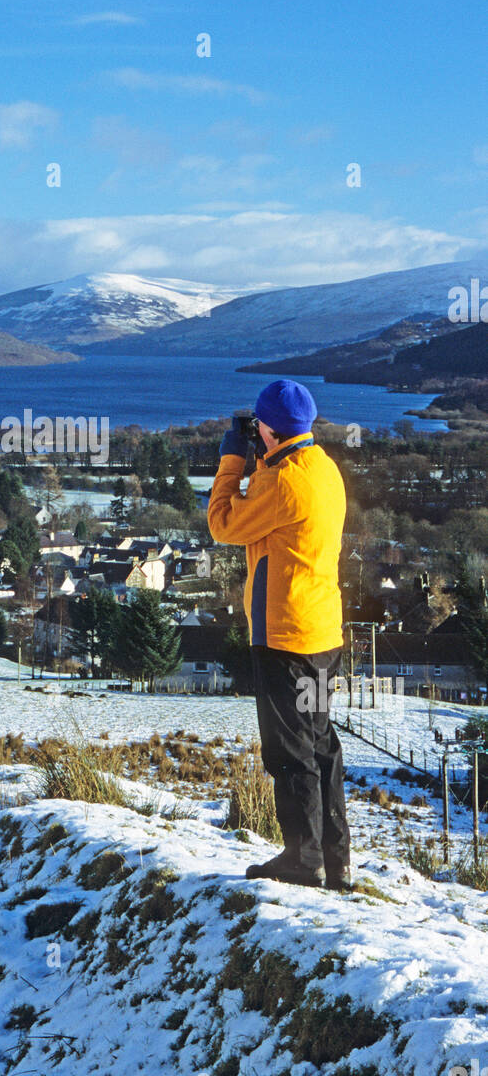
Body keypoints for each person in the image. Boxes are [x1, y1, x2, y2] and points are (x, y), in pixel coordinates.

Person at [207, 379, 351, 890]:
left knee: (289, 752)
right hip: (322, 632)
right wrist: (264, 455)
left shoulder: (282, 481)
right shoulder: (324, 470)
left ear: (266, 428)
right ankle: (336, 858)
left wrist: (231, 461)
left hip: (282, 635)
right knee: (319, 744)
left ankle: (302, 858)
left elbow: (223, 524)